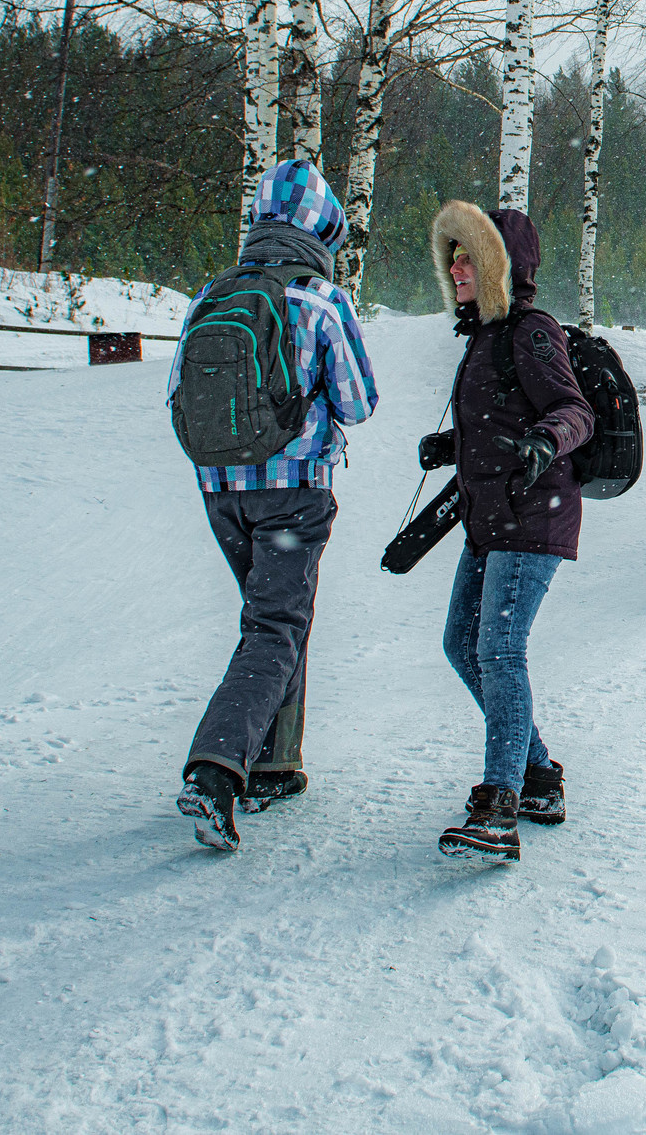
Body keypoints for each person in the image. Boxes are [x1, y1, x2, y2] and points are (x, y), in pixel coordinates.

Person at [171, 159, 378, 854]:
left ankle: (275, 762)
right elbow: (359, 401)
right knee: (276, 626)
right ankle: (216, 771)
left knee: (272, 620)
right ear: (324, 225)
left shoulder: (211, 292)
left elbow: (180, 394)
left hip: (220, 490)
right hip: (294, 492)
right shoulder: (321, 301)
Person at [421, 199, 596, 862]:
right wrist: (448, 445)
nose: (457, 266)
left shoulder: (531, 330)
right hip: (491, 517)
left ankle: (499, 806)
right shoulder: (486, 337)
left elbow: (572, 409)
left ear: (498, 263)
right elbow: (497, 414)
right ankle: (539, 774)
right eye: (454, 255)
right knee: (460, 643)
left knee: (498, 649)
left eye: (469, 255)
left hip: (532, 512)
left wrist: (544, 442)